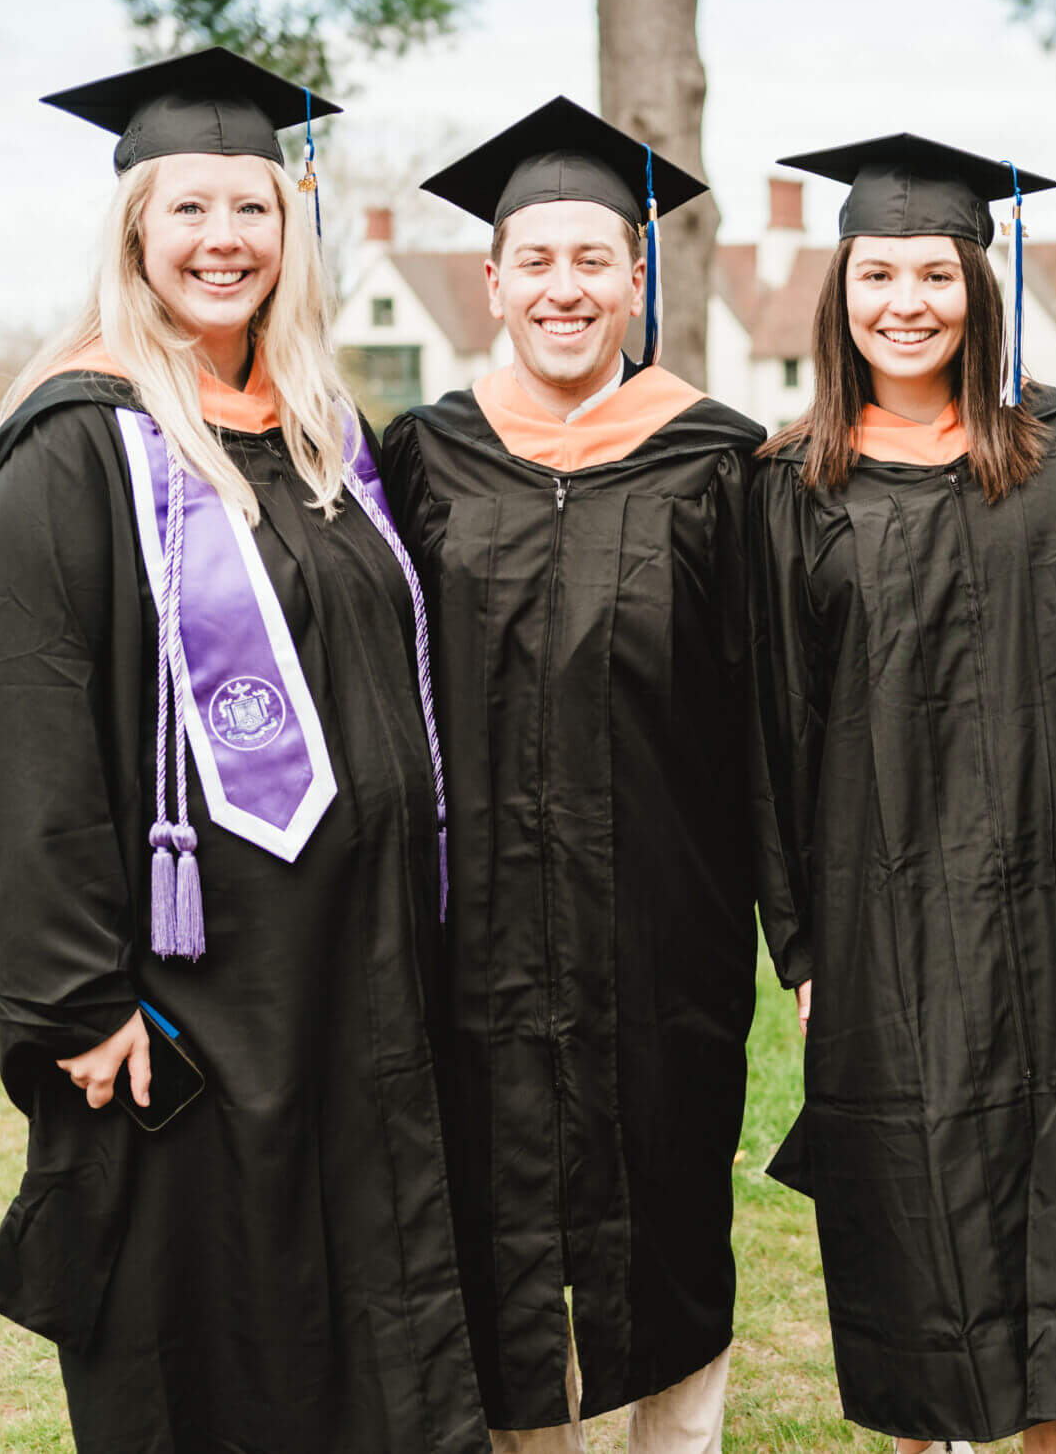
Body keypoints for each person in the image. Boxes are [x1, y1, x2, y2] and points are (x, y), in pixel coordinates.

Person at [0, 48, 485, 1454]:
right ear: (135, 229)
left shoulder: (325, 437)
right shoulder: (75, 446)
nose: (223, 242)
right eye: (188, 211)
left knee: (363, 1310)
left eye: (251, 210)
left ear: (289, 229)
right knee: (218, 1329)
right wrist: (72, 1000)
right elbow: (26, 741)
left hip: (358, 965)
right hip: (194, 988)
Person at [748, 136, 1056, 1454]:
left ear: (979, 290)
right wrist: (800, 942)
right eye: (879, 275)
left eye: (936, 274)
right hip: (886, 913)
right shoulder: (791, 480)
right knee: (905, 1206)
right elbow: (773, 729)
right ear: (841, 291)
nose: (907, 302)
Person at [379, 98, 762, 1454]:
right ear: (491, 281)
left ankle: (677, 1440)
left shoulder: (718, 459)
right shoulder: (420, 458)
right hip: (464, 940)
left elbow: (771, 716)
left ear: (636, 276)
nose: (564, 286)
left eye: (594, 258)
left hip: (663, 938)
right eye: (535, 260)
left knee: (666, 1210)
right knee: (482, 1220)